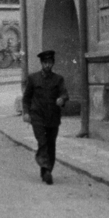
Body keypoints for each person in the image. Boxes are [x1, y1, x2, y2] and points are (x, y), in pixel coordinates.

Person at [22, 49, 69, 185]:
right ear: (41, 63)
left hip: (53, 116)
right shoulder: (33, 78)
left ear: (53, 63)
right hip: (37, 116)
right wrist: (26, 113)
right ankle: (46, 169)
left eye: (50, 63)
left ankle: (47, 169)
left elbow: (65, 94)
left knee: (51, 144)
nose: (47, 65)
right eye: (45, 63)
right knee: (42, 142)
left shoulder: (58, 79)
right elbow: (26, 98)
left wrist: (62, 99)